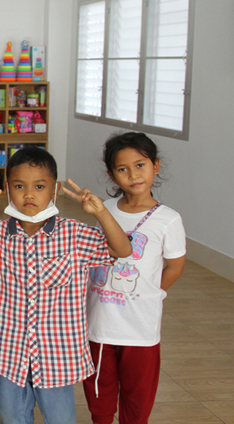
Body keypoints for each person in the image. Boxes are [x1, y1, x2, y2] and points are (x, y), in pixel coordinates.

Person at [0, 147, 133, 424]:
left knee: (60, 419)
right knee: (12, 418)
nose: (29, 195)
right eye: (20, 186)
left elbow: (122, 250)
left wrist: (102, 213)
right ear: (8, 189)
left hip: (57, 354)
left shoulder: (74, 234)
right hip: (10, 351)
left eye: (39, 186)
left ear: (54, 189)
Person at [82, 132, 186, 424]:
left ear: (156, 166)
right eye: (123, 169)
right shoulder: (105, 209)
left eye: (140, 165)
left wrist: (150, 292)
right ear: (112, 175)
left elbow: (175, 266)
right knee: (99, 395)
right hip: (100, 323)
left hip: (141, 328)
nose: (133, 175)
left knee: (137, 398)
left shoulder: (168, 219)